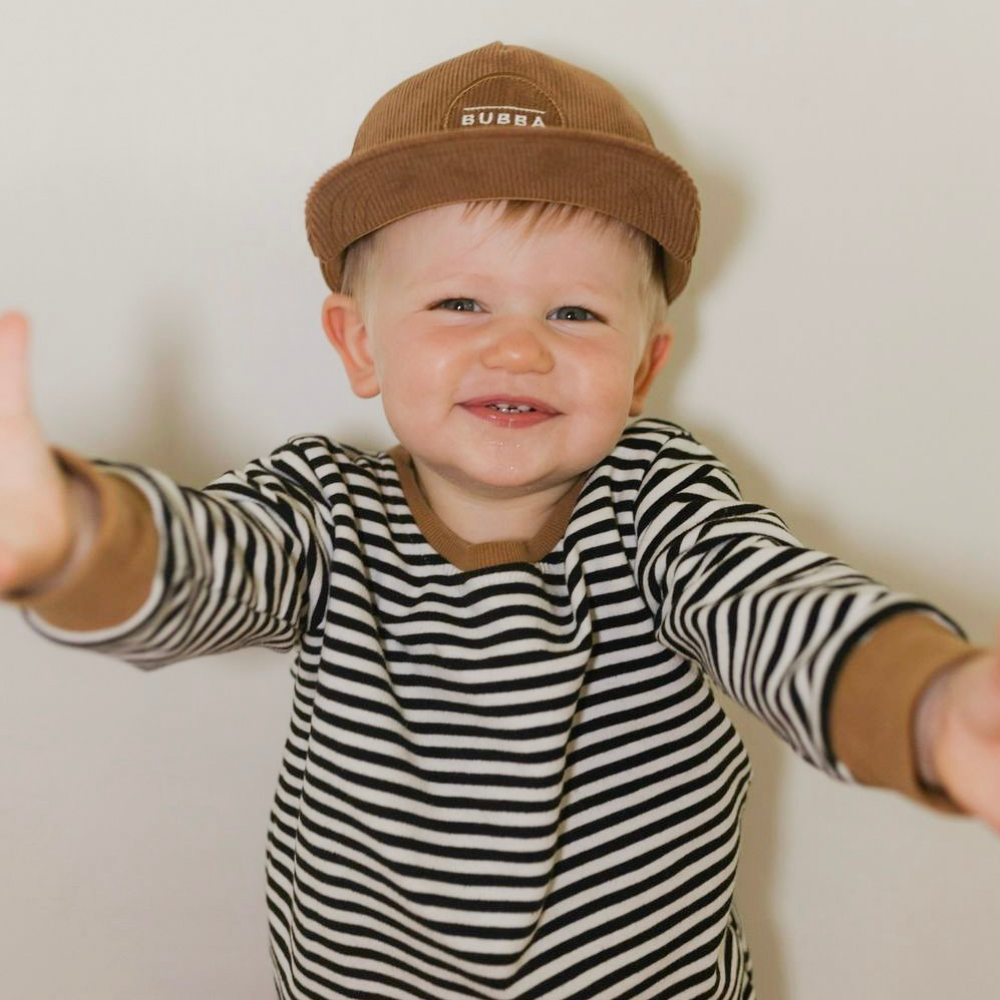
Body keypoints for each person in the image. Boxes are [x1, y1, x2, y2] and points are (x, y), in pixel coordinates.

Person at [1, 40, 997, 1000]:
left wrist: (924, 699)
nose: (518, 350)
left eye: (574, 314)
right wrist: (72, 539)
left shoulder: (662, 508)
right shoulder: (319, 513)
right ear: (358, 345)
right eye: (460, 302)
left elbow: (774, 605)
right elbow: (207, 563)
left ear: (644, 367)